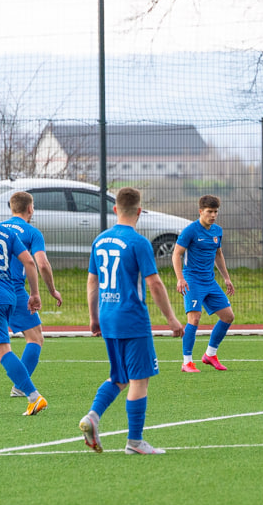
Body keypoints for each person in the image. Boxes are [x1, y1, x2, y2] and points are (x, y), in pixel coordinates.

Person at [78, 187, 184, 455]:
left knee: (119, 376)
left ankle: (93, 416)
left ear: (115, 210)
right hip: (132, 318)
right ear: (139, 211)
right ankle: (135, 442)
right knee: (139, 379)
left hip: (108, 316)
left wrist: (94, 318)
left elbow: (92, 281)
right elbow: (155, 283)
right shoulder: (139, 243)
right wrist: (171, 320)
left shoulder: (99, 241)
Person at [0, 190, 48, 416]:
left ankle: (33, 396)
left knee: (0, 350)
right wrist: (35, 294)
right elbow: (29, 261)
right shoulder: (5, 232)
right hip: (9, 294)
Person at [1, 191, 63, 398]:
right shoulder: (31, 232)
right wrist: (51, 290)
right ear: (30, 208)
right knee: (35, 337)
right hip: (15, 291)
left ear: (11, 208)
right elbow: (42, 264)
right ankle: (21, 386)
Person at [173, 194, 236, 373]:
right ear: (201, 211)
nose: (213, 215)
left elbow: (218, 254)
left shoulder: (217, 231)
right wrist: (180, 278)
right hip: (192, 280)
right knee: (194, 318)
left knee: (228, 316)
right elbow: (176, 254)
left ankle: (210, 354)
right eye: (209, 211)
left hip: (210, 281)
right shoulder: (190, 230)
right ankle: (187, 362)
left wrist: (226, 278)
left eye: (216, 212)